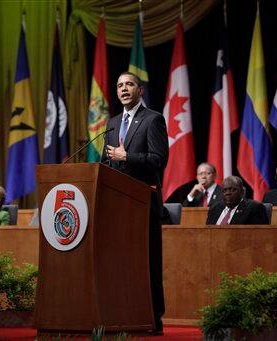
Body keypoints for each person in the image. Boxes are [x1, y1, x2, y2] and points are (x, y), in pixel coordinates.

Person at [102, 71, 168, 334]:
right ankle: (123, 314)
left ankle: (153, 318)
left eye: (129, 84)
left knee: (147, 261)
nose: (123, 88)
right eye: (119, 85)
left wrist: (126, 156)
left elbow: (158, 159)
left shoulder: (153, 119)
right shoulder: (112, 123)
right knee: (120, 263)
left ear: (140, 90)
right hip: (117, 206)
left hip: (143, 202)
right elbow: (107, 163)